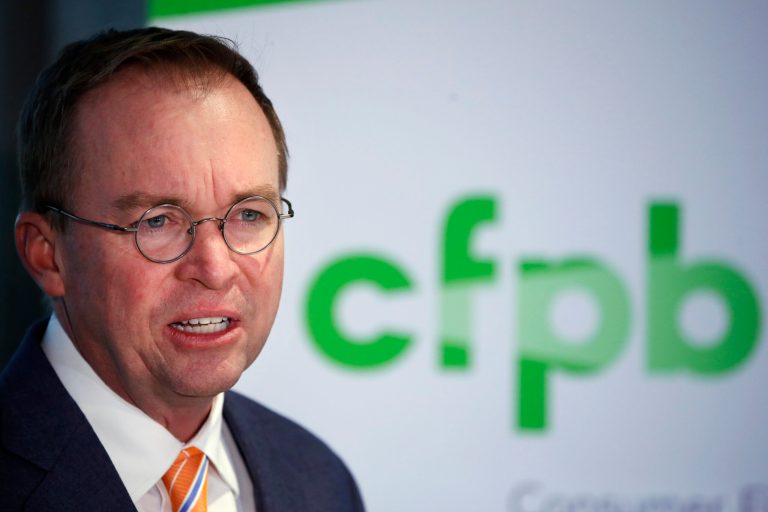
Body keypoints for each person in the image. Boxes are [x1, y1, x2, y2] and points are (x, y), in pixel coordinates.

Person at [0, 26, 364, 511]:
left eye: (249, 214)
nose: (215, 268)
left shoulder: (318, 479)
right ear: (47, 254)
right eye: (157, 222)